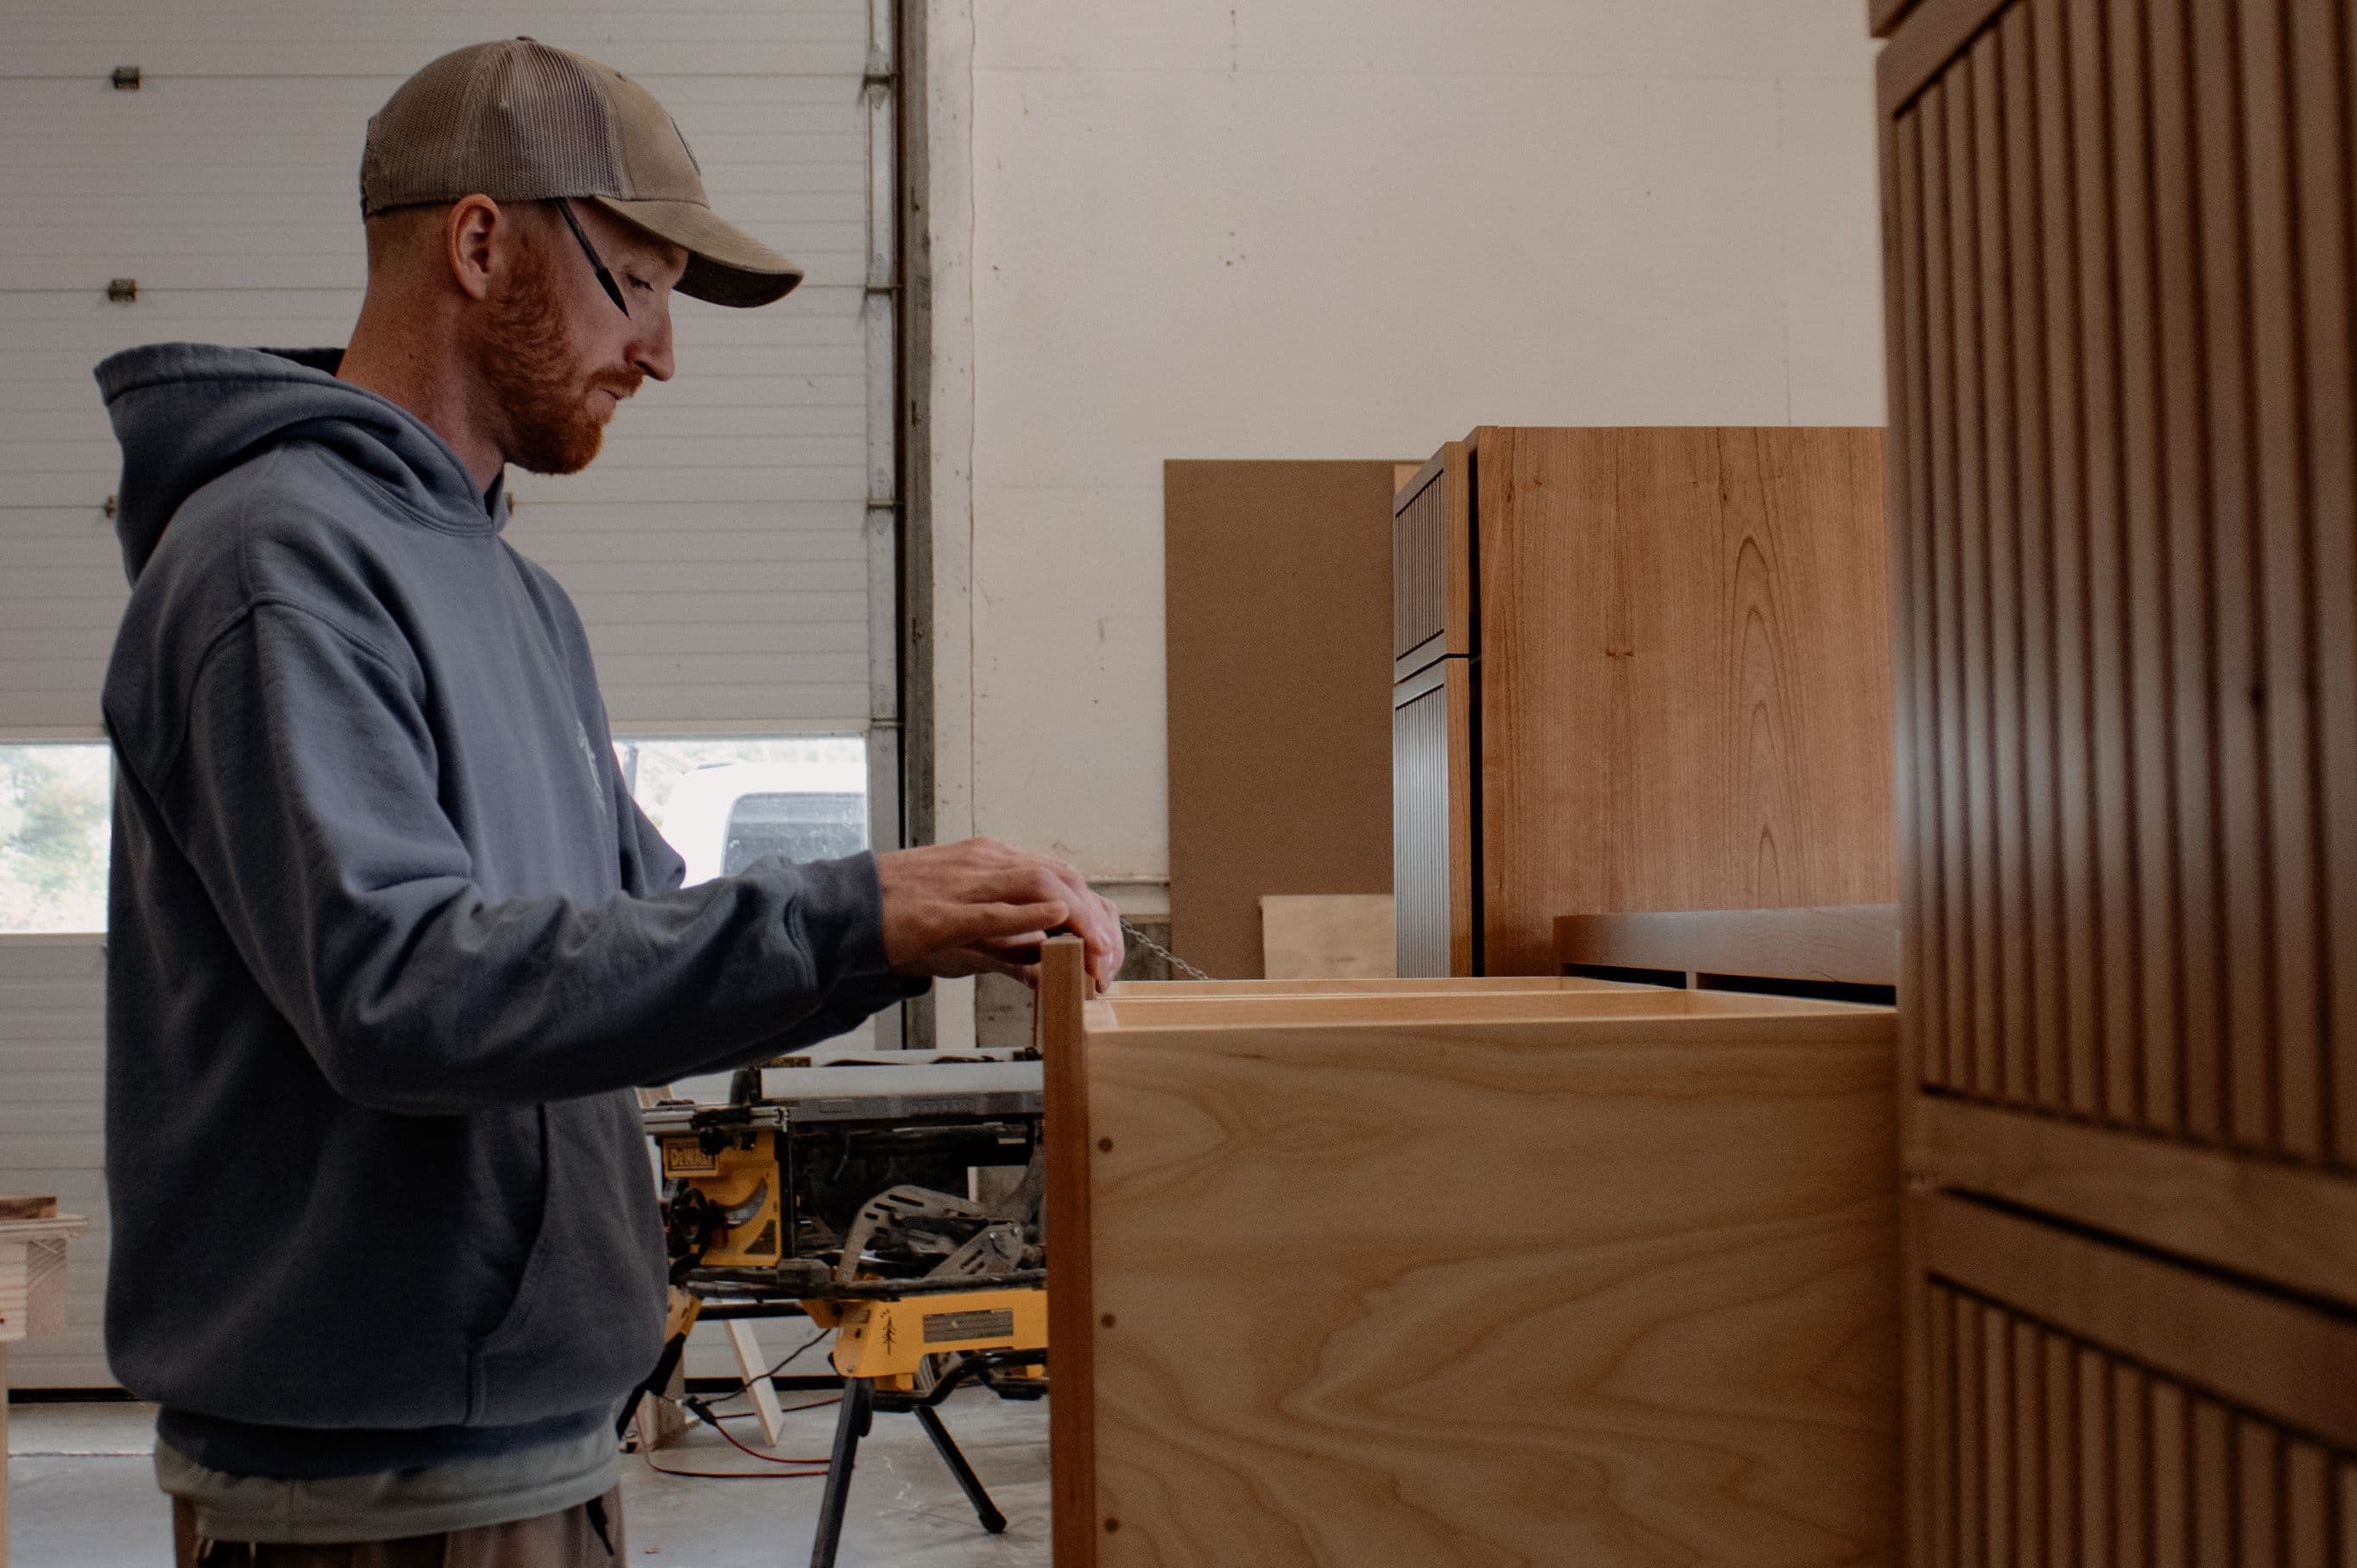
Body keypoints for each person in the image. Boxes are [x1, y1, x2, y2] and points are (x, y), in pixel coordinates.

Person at [91, 37, 1122, 1567]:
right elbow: (399, 994)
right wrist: (857, 913)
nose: (659, 350)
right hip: (373, 1496)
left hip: (532, 1440)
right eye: (633, 282)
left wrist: (902, 928)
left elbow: (626, 948)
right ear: (484, 239)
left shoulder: (514, 598)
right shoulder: (278, 563)